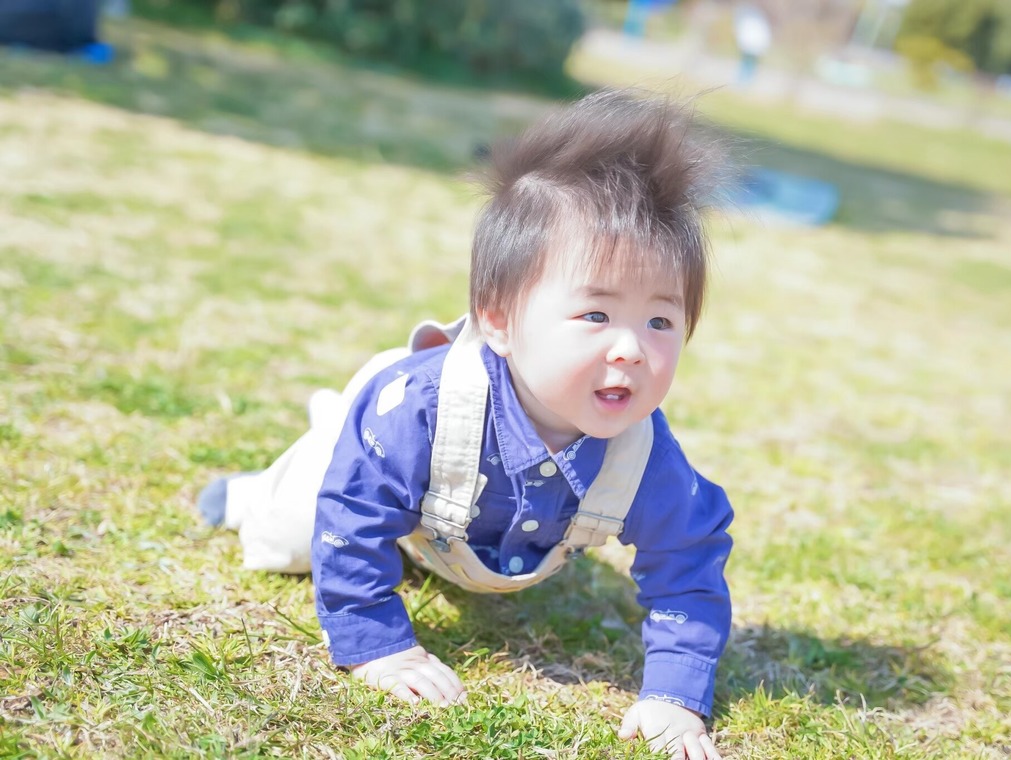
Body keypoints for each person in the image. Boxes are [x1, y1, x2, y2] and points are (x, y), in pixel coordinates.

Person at [199, 89, 734, 760]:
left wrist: (674, 696)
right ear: (501, 322)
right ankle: (258, 490)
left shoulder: (644, 456)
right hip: (381, 466)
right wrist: (379, 646)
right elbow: (357, 510)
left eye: (661, 321)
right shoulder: (418, 409)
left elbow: (688, 564)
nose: (631, 347)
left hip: (476, 537)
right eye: (595, 315)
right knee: (298, 532)